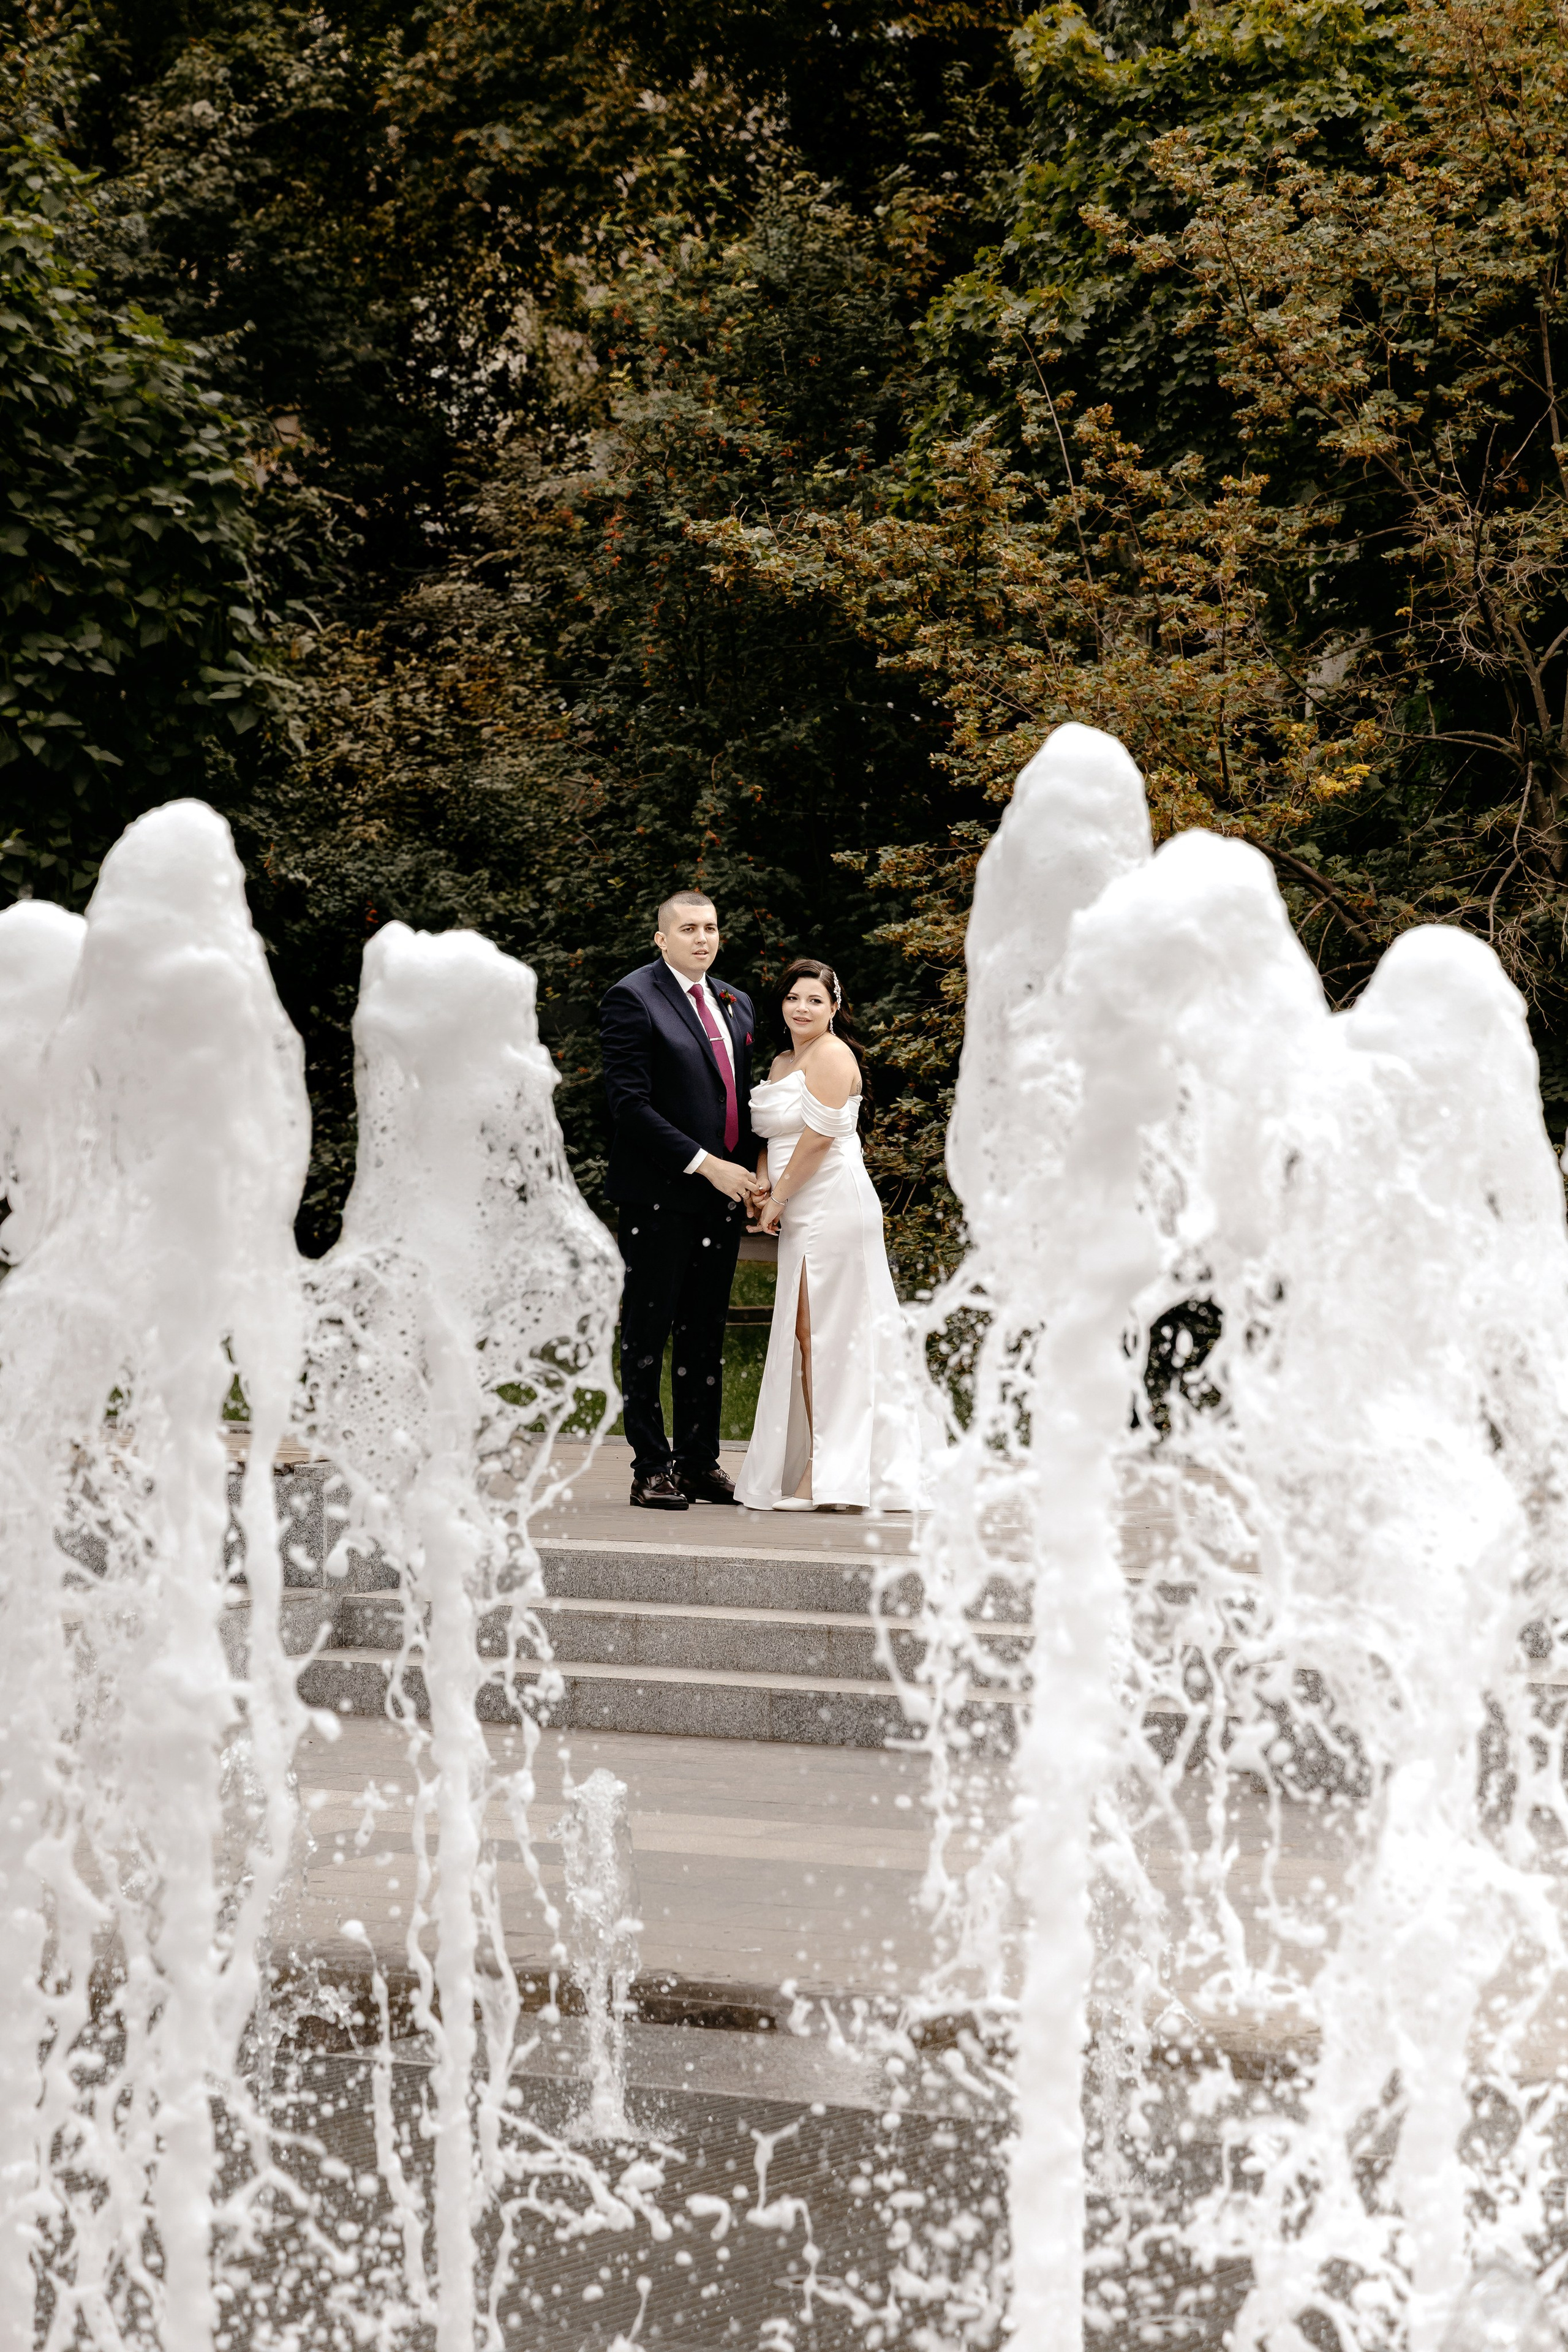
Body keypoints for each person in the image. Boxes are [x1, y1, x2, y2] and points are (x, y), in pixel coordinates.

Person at [734, 957, 925, 1513]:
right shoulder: (780, 1061)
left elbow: (818, 1138)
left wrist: (781, 1198)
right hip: (797, 1203)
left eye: (815, 1000)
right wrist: (764, 1183)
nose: (802, 1008)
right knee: (807, 1334)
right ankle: (836, 1461)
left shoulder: (834, 1054)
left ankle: (831, 1472)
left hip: (833, 1201)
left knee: (831, 1334)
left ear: (835, 1008)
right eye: (794, 998)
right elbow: (772, 1134)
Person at [600, 891, 767, 1509]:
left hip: (722, 1198)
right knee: (646, 1333)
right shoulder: (633, 998)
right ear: (661, 938)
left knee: (704, 1333)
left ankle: (699, 1461)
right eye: (688, 929)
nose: (702, 938)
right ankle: (651, 1466)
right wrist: (706, 1167)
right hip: (659, 1195)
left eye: (710, 928)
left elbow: (739, 1099)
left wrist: (753, 1174)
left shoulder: (735, 1001)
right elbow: (629, 1106)